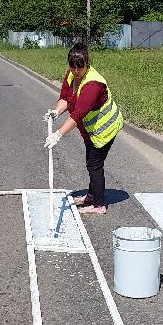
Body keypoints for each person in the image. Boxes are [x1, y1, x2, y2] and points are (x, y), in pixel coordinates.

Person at [43, 42, 123, 214]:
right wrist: (56, 112)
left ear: (87, 63)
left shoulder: (93, 84)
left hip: (104, 129)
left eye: (80, 68)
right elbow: (65, 97)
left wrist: (58, 134)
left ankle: (99, 205)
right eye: (73, 68)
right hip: (90, 130)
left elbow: (78, 113)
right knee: (91, 162)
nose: (76, 72)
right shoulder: (71, 74)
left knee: (94, 164)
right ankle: (93, 195)